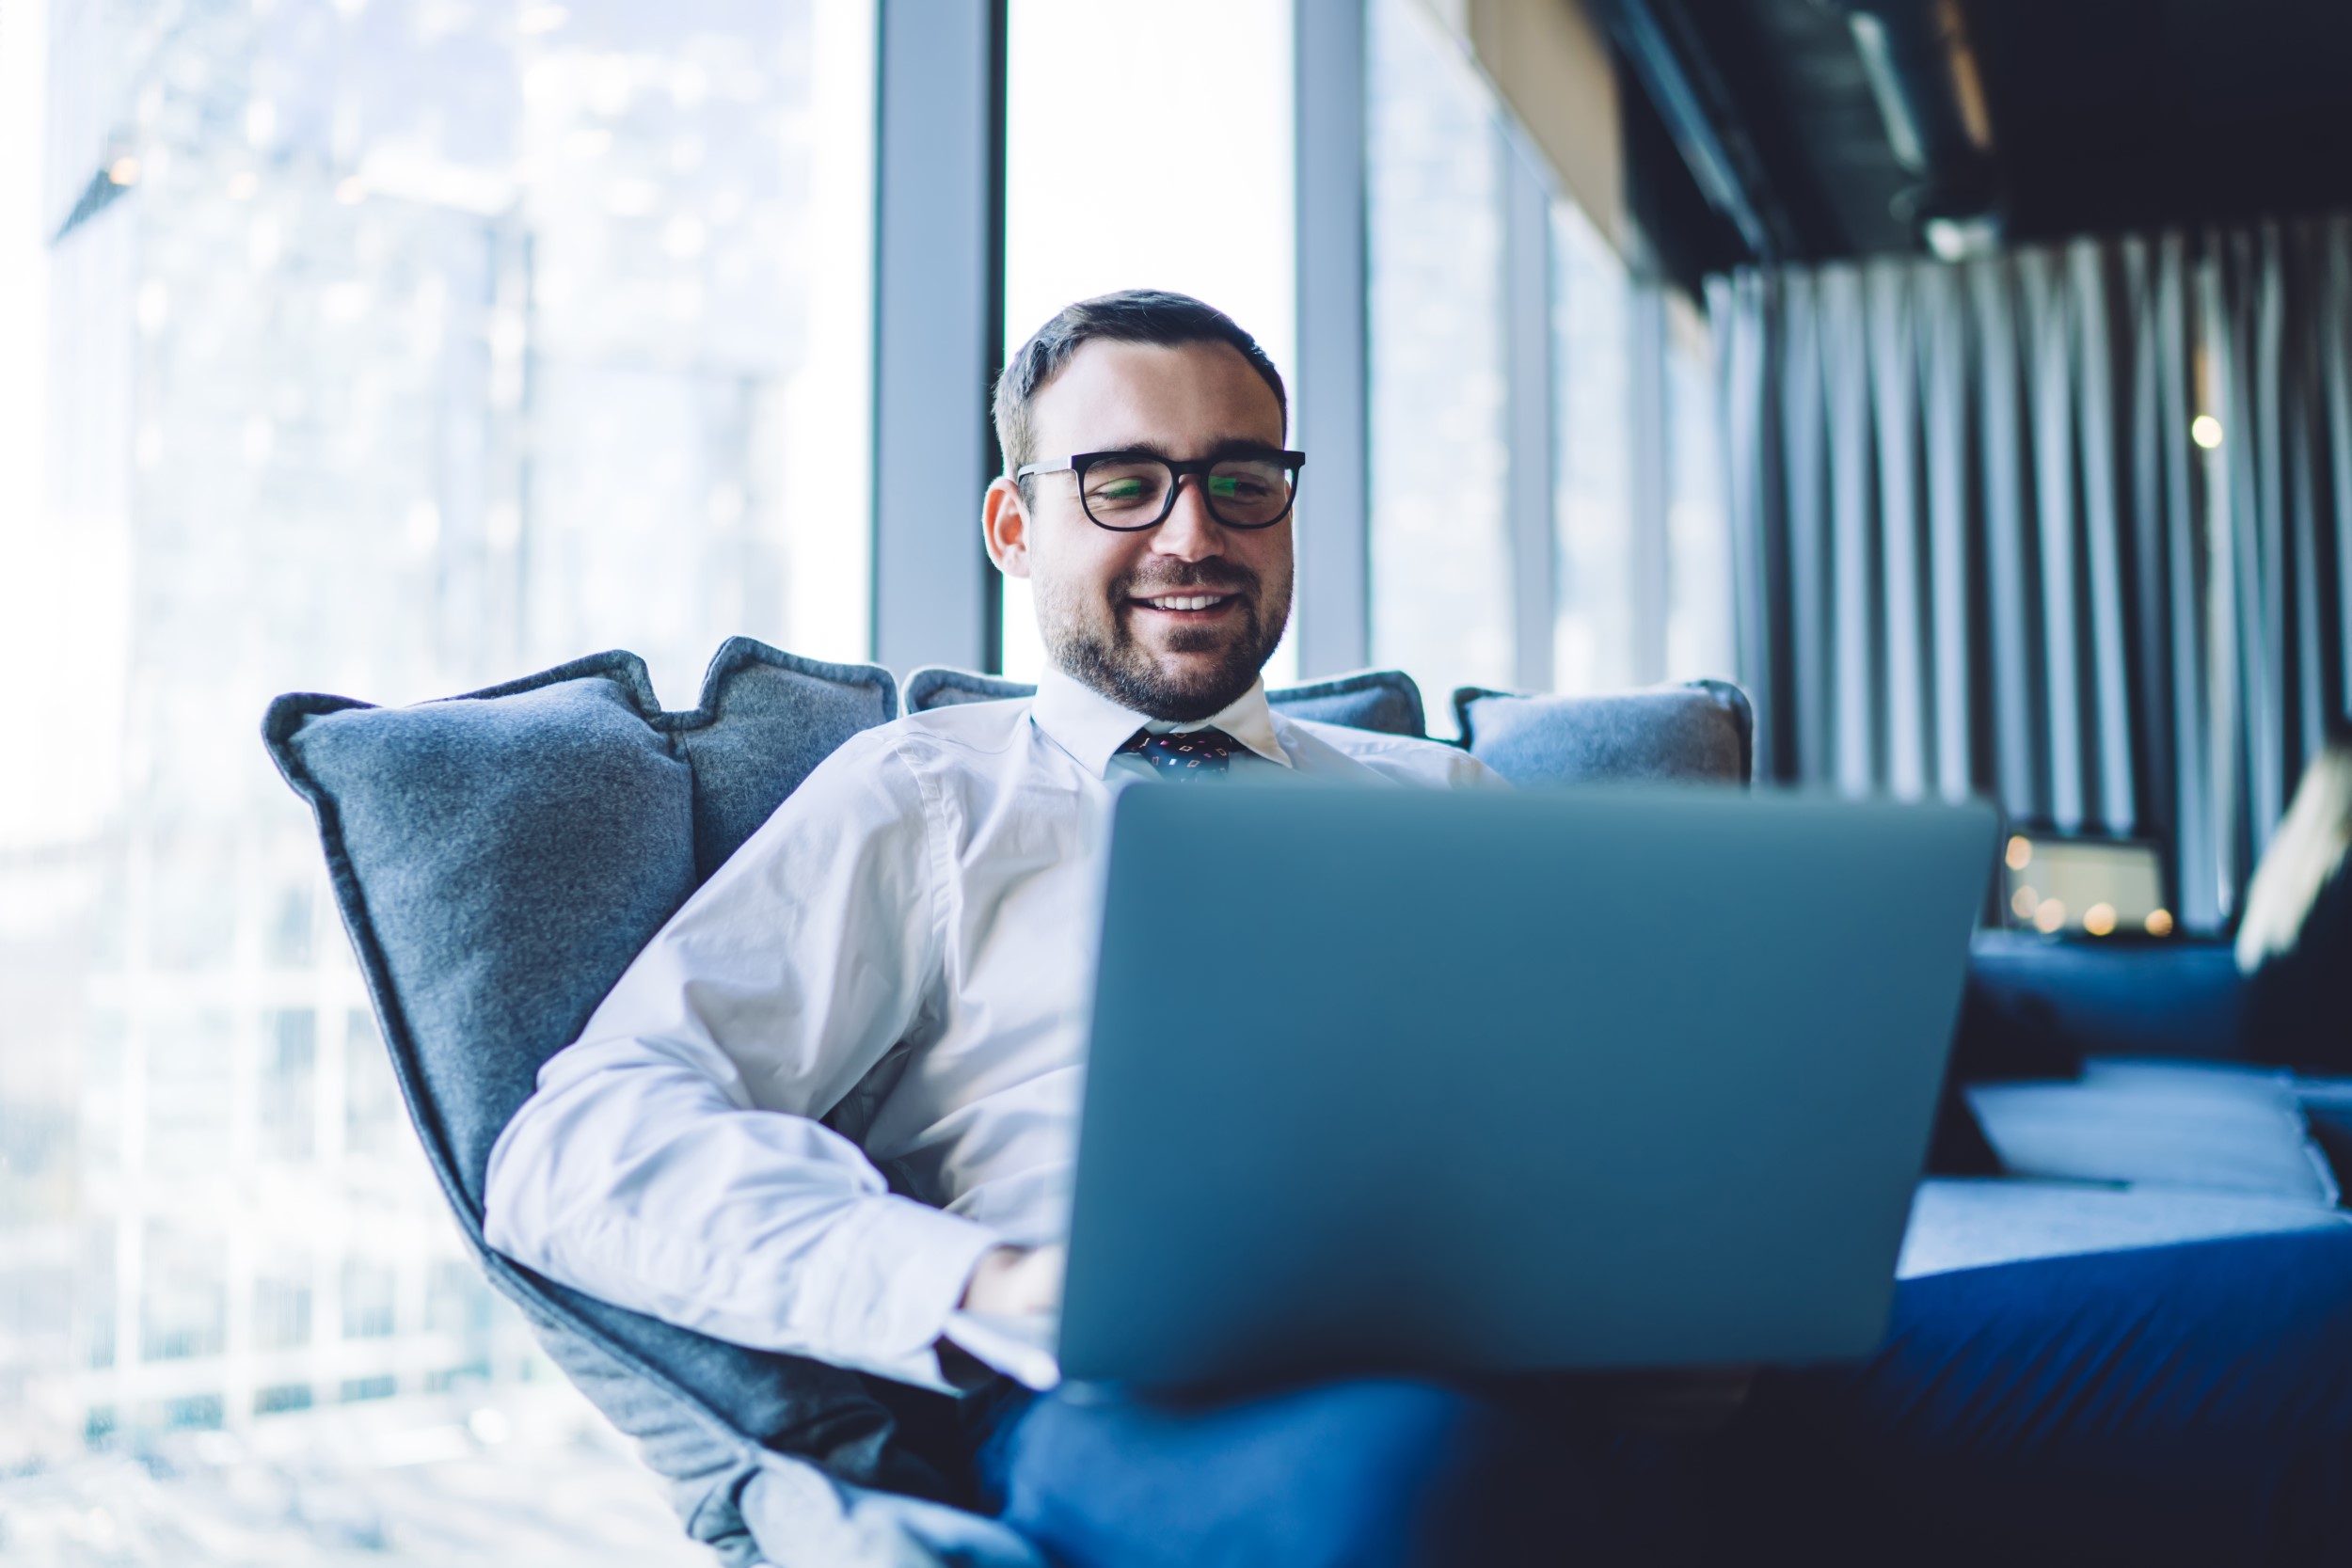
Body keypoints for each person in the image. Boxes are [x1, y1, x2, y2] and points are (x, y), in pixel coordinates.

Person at [485, 290, 2352, 1566]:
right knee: (1431, 1481)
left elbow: (1607, 1129)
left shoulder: (1429, 803)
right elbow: (578, 1138)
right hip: (1176, 1403)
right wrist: (970, 1286)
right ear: (1012, 524)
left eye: (1240, 477)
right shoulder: (929, 794)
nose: (1189, 529)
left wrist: (1684, 1271)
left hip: (1608, 1379)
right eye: (1120, 484)